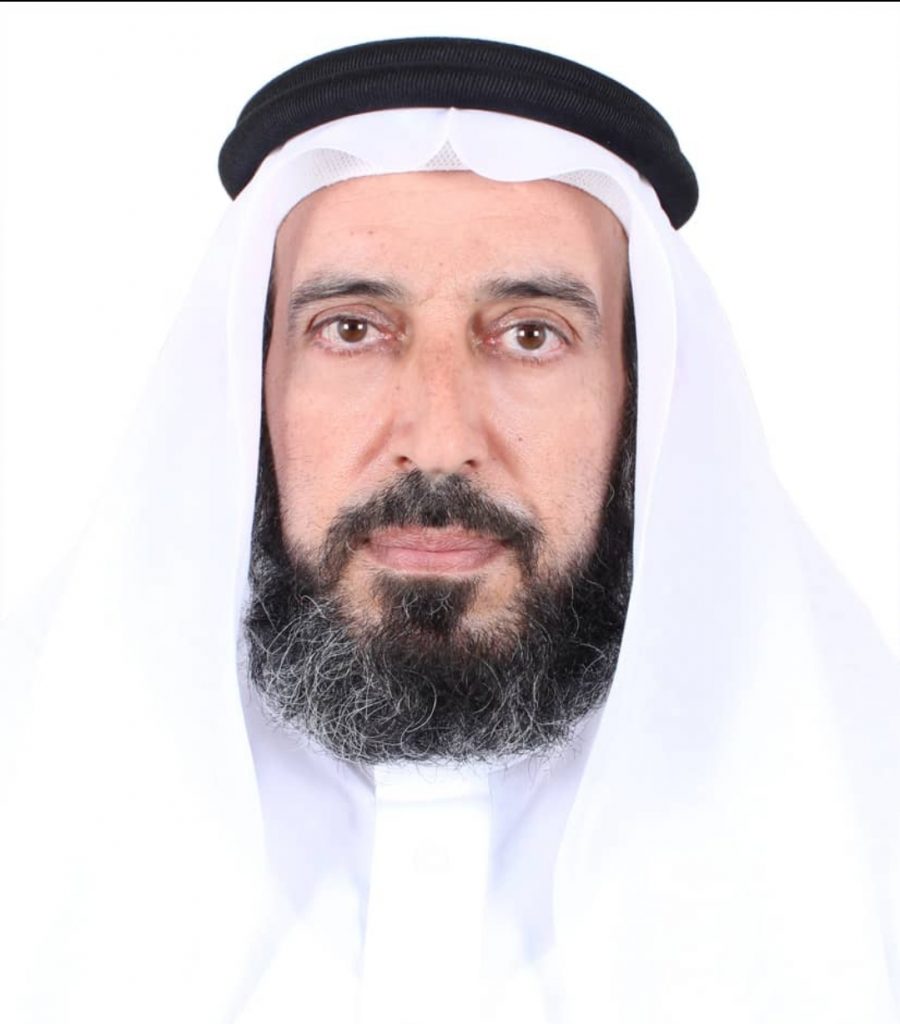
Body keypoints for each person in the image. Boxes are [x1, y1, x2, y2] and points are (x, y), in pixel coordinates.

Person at [2, 36, 898, 1024]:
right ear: (251, 386)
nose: (438, 443)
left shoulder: (867, 831)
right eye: (351, 328)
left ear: (639, 400)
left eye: (531, 334)